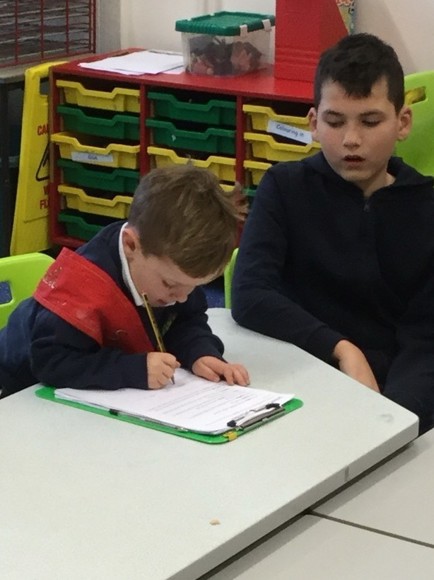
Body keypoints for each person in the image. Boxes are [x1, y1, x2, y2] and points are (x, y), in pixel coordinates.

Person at [232, 33, 434, 434]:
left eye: (370, 122)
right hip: (304, 376)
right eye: (335, 121)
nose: (351, 139)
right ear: (313, 123)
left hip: (399, 392)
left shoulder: (425, 205)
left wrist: (393, 416)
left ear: (403, 123)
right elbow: (250, 293)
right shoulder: (284, 187)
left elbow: (426, 336)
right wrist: (342, 349)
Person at [0, 165, 249, 396]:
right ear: (130, 245)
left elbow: (184, 321)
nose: (182, 297)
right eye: (170, 285)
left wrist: (200, 352)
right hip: (18, 390)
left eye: (194, 287)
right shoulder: (81, 287)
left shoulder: (169, 270)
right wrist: (133, 369)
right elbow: (51, 362)